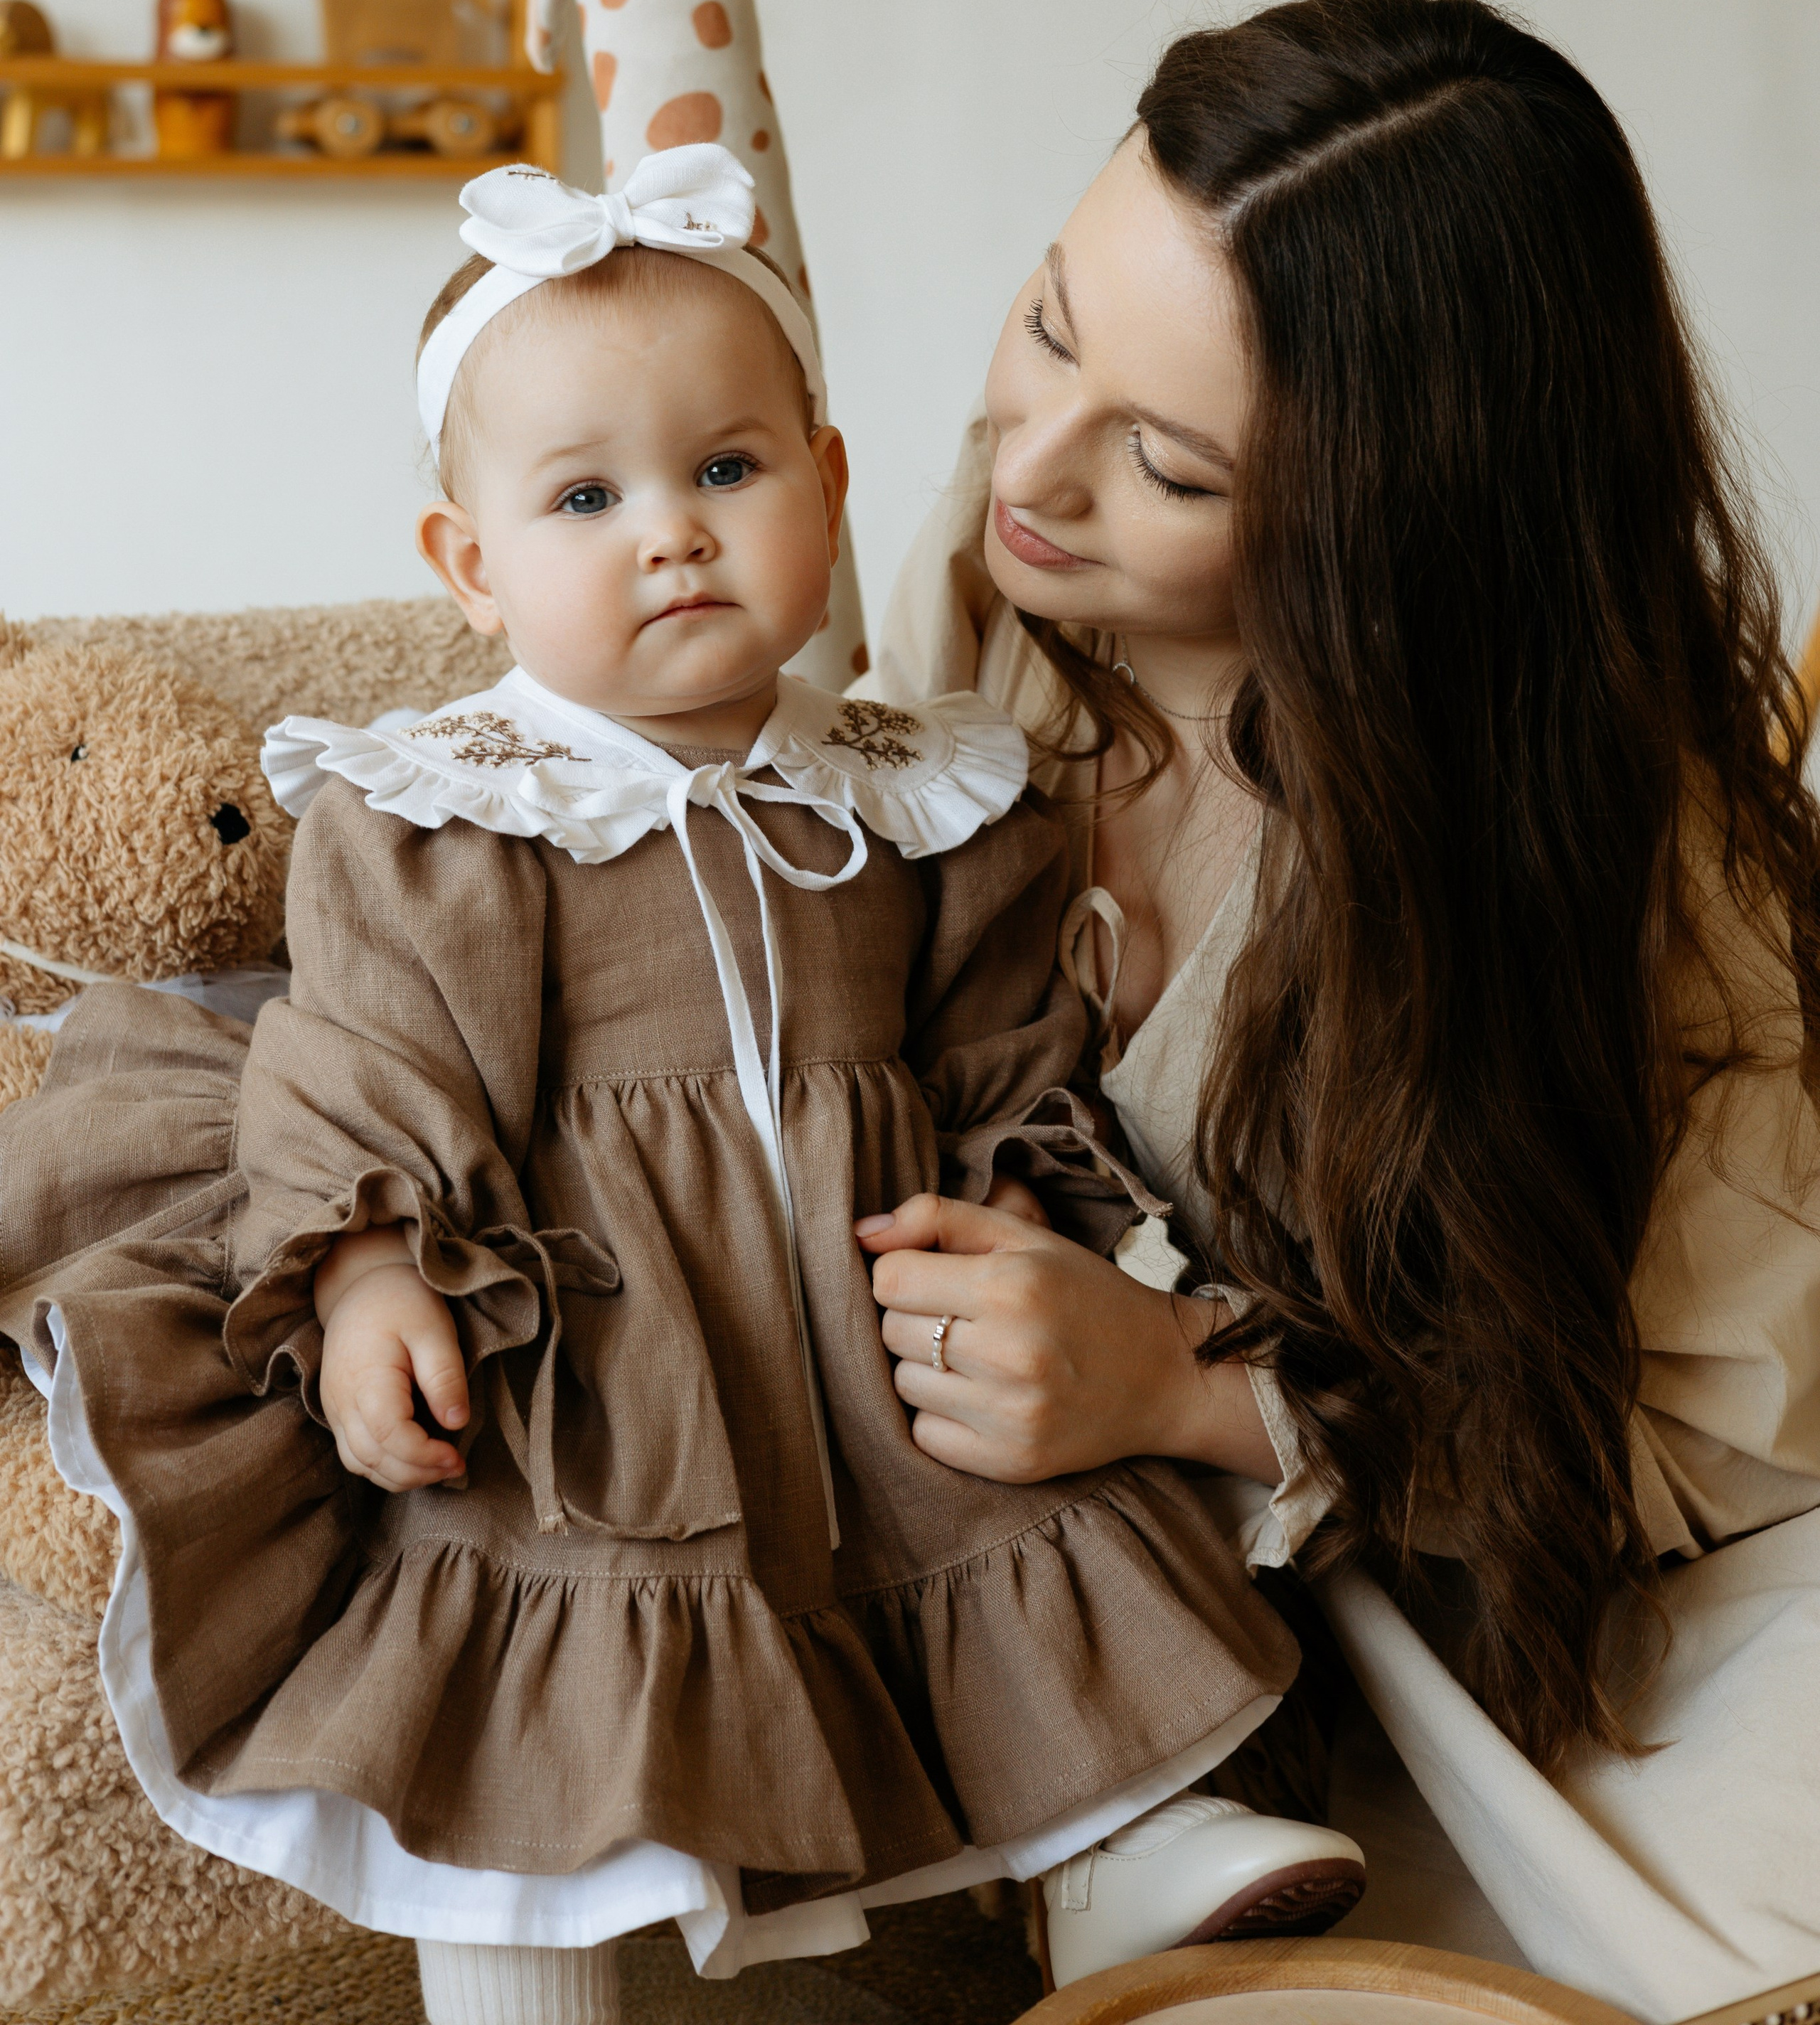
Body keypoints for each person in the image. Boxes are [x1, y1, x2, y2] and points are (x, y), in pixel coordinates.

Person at [0, 144, 1366, 2025]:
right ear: (470, 570)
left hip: (865, 1302)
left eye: (729, 469)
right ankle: (526, 1977)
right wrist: (374, 1275)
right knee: (528, 1658)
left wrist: (1052, 1225)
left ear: (829, 480)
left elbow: (997, 1048)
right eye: (587, 497)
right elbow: (358, 1071)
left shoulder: (913, 783)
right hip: (587, 1343)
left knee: (1017, 1537)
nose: (674, 533)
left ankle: (1127, 1862)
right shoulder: (448, 812)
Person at [855, 0, 1820, 2023]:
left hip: (1565, 1626)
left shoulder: (1625, 867)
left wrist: (1188, 1394)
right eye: (1048, 321)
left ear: (1392, 529)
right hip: (1113, 1603)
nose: (1032, 467)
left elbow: (1711, 1435)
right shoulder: (994, 596)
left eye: (1170, 466)